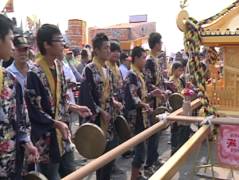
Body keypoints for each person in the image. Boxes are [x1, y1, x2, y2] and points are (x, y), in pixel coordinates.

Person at [25, 24, 92, 180]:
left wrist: (75, 107)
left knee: (72, 174)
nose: (63, 43)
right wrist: (56, 124)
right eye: (59, 40)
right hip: (47, 139)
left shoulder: (59, 66)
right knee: (51, 176)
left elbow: (61, 100)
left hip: (63, 135)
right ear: (46, 45)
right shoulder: (34, 73)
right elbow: (34, 111)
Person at [0, 14, 39, 180]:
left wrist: (26, 141)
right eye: (10, 39)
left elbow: (21, 118)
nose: (12, 44)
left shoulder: (9, 80)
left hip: (10, 164)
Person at [79, 33, 122, 180]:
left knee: (109, 157)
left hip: (109, 118)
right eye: (105, 48)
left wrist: (113, 102)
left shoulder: (108, 69)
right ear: (96, 51)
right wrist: (100, 111)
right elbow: (86, 96)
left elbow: (109, 93)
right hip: (98, 119)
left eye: (109, 47)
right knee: (100, 159)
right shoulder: (89, 69)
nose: (108, 50)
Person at [124, 46, 160, 180]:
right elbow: (133, 97)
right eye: (143, 58)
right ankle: (134, 176)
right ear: (137, 58)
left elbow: (142, 94)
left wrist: (152, 93)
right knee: (140, 150)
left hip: (142, 116)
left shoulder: (139, 74)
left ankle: (137, 174)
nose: (145, 60)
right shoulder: (131, 75)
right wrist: (144, 104)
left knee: (141, 148)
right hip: (136, 117)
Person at [144, 32, 171, 175]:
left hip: (159, 100)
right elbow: (148, 83)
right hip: (153, 102)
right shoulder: (149, 60)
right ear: (155, 44)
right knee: (153, 133)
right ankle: (149, 164)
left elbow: (159, 80)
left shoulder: (156, 59)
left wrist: (167, 84)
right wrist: (158, 90)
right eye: (160, 42)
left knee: (158, 132)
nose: (161, 45)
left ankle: (154, 159)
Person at [168, 62, 191, 155]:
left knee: (183, 127)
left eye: (182, 70)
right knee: (175, 129)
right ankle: (174, 149)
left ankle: (181, 147)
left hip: (182, 107)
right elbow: (173, 95)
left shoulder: (181, 80)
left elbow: (184, 90)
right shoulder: (171, 81)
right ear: (173, 70)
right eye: (179, 70)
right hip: (175, 107)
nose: (180, 72)